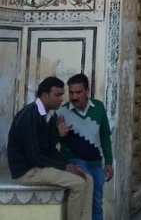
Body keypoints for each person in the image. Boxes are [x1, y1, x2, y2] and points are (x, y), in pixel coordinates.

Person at [7, 76, 94, 220]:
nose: (61, 99)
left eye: (62, 94)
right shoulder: (30, 116)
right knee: (78, 183)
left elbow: (47, 148)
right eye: (57, 95)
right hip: (28, 171)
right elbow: (34, 155)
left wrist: (66, 162)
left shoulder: (47, 116)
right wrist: (65, 167)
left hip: (39, 167)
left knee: (88, 178)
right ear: (45, 95)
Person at [60, 74, 113, 220]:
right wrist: (59, 134)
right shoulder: (61, 112)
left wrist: (108, 161)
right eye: (71, 92)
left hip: (96, 163)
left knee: (96, 203)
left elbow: (104, 136)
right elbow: (50, 140)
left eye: (78, 92)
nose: (74, 96)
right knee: (82, 203)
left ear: (87, 91)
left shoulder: (98, 107)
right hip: (75, 162)